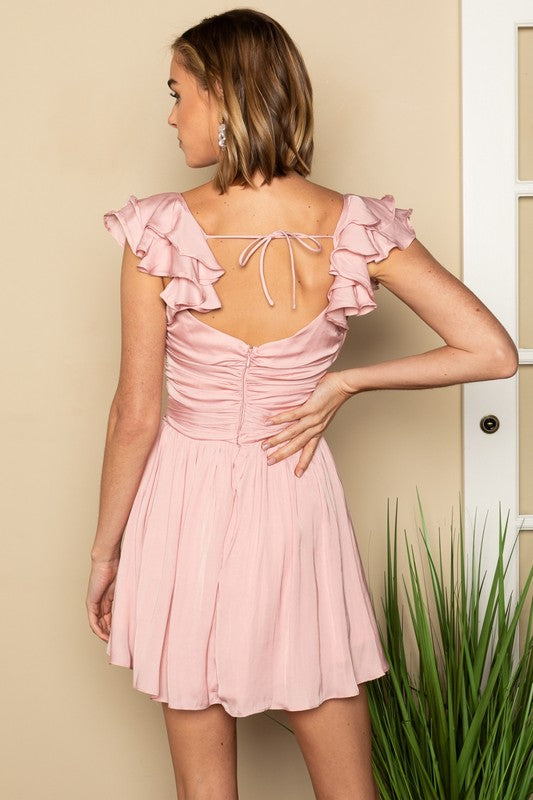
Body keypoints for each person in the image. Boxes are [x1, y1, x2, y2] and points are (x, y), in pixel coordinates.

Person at [86, 8, 518, 800]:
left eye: (178, 92)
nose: (172, 113)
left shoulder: (160, 233)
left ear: (223, 99)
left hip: (181, 500)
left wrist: (105, 552)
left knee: (203, 788)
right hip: (293, 492)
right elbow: (490, 349)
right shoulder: (350, 227)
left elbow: (136, 415)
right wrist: (341, 381)